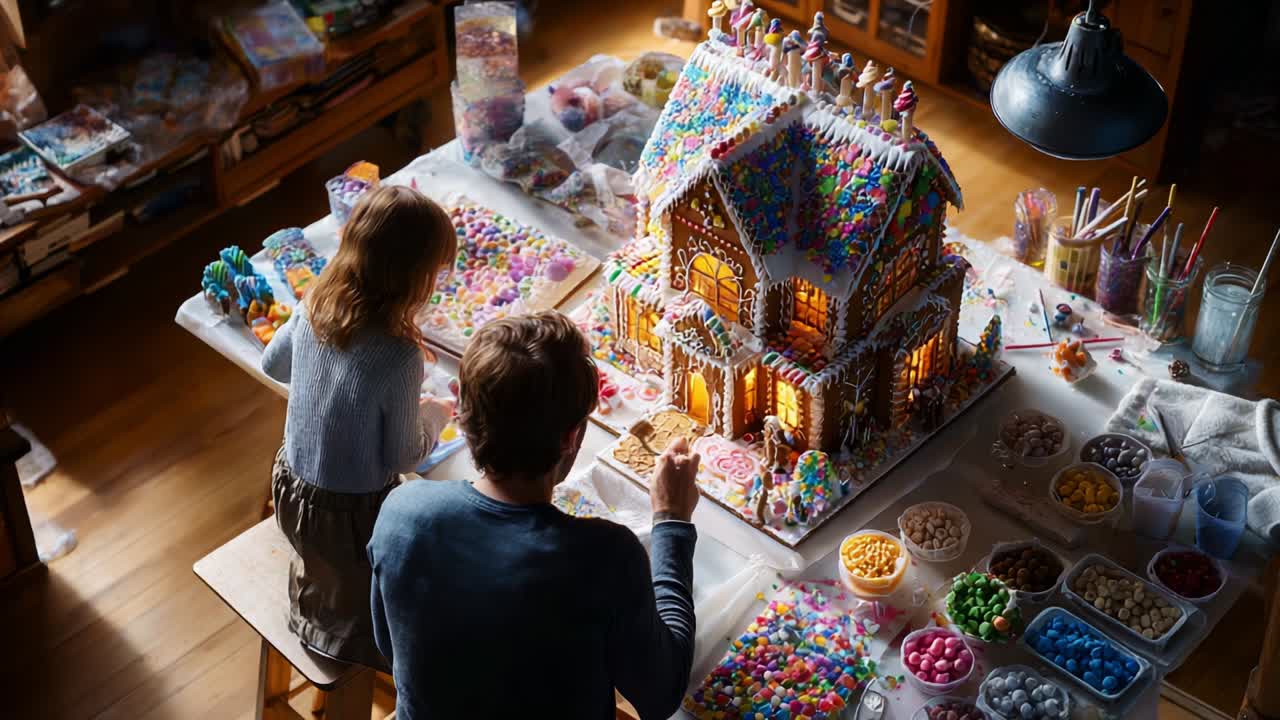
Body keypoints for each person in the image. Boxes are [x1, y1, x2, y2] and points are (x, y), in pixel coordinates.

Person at [368, 312, 700, 720]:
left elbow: (390, 645)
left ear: (461, 413)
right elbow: (661, 695)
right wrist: (672, 521)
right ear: (571, 437)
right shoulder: (605, 557)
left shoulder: (403, 512)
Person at [261, 185, 457, 670]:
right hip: (351, 520)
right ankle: (350, 647)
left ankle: (323, 605)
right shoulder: (399, 354)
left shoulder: (314, 304)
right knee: (414, 568)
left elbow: (273, 364)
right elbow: (404, 458)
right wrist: (434, 415)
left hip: (289, 488)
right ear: (414, 278)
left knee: (333, 575)